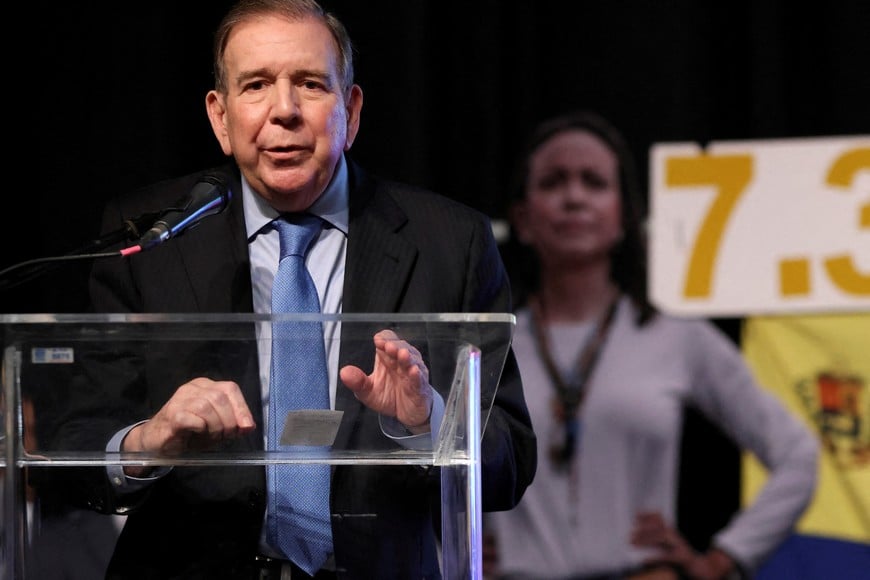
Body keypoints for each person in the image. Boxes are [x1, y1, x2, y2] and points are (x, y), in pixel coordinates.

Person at [37, 1, 537, 578]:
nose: (284, 111)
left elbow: (512, 459)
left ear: (350, 112)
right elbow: (71, 452)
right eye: (256, 85)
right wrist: (147, 442)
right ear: (220, 118)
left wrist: (430, 421)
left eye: (310, 84)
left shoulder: (451, 242)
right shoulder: (147, 240)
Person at [483, 111, 819, 580]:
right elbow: (424, 462)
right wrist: (454, 543)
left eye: (595, 182)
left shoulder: (676, 336)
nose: (575, 196)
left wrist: (724, 560)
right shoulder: (489, 344)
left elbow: (797, 456)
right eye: (555, 181)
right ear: (521, 216)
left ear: (624, 215)